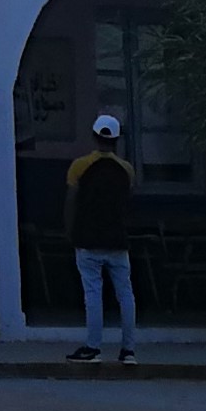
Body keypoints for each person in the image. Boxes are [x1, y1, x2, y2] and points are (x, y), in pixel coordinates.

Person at [63, 110, 137, 365]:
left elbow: (71, 201)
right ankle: (128, 350)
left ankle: (93, 347)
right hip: (117, 239)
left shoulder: (80, 166)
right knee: (125, 294)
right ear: (117, 140)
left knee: (93, 293)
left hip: (88, 239)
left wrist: (69, 230)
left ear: (94, 137)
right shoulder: (126, 170)